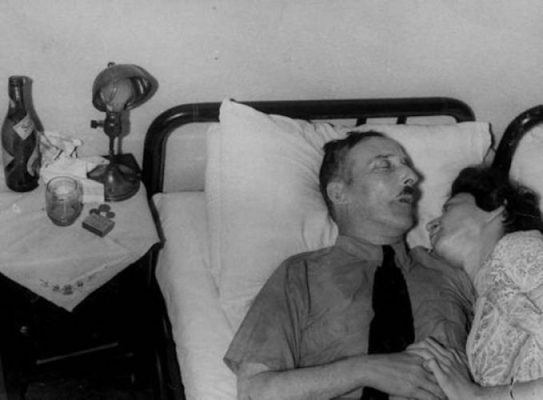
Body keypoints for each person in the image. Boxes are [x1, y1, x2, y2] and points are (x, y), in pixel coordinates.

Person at [224, 131, 474, 400]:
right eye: (384, 166)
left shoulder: (450, 271)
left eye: (406, 165)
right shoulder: (300, 275)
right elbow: (254, 391)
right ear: (339, 193)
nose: (410, 176)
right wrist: (364, 370)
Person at [410, 165, 543, 400]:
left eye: (448, 208)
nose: (431, 225)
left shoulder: (519, 248)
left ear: (498, 210)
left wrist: (476, 395)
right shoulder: (480, 300)